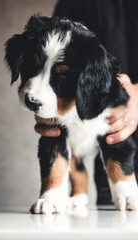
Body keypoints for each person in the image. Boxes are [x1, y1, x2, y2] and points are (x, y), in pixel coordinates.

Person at [34, 0, 138, 204]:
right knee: (117, 221)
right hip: (107, 147)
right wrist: (45, 94)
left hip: (118, 127)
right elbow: (52, 54)